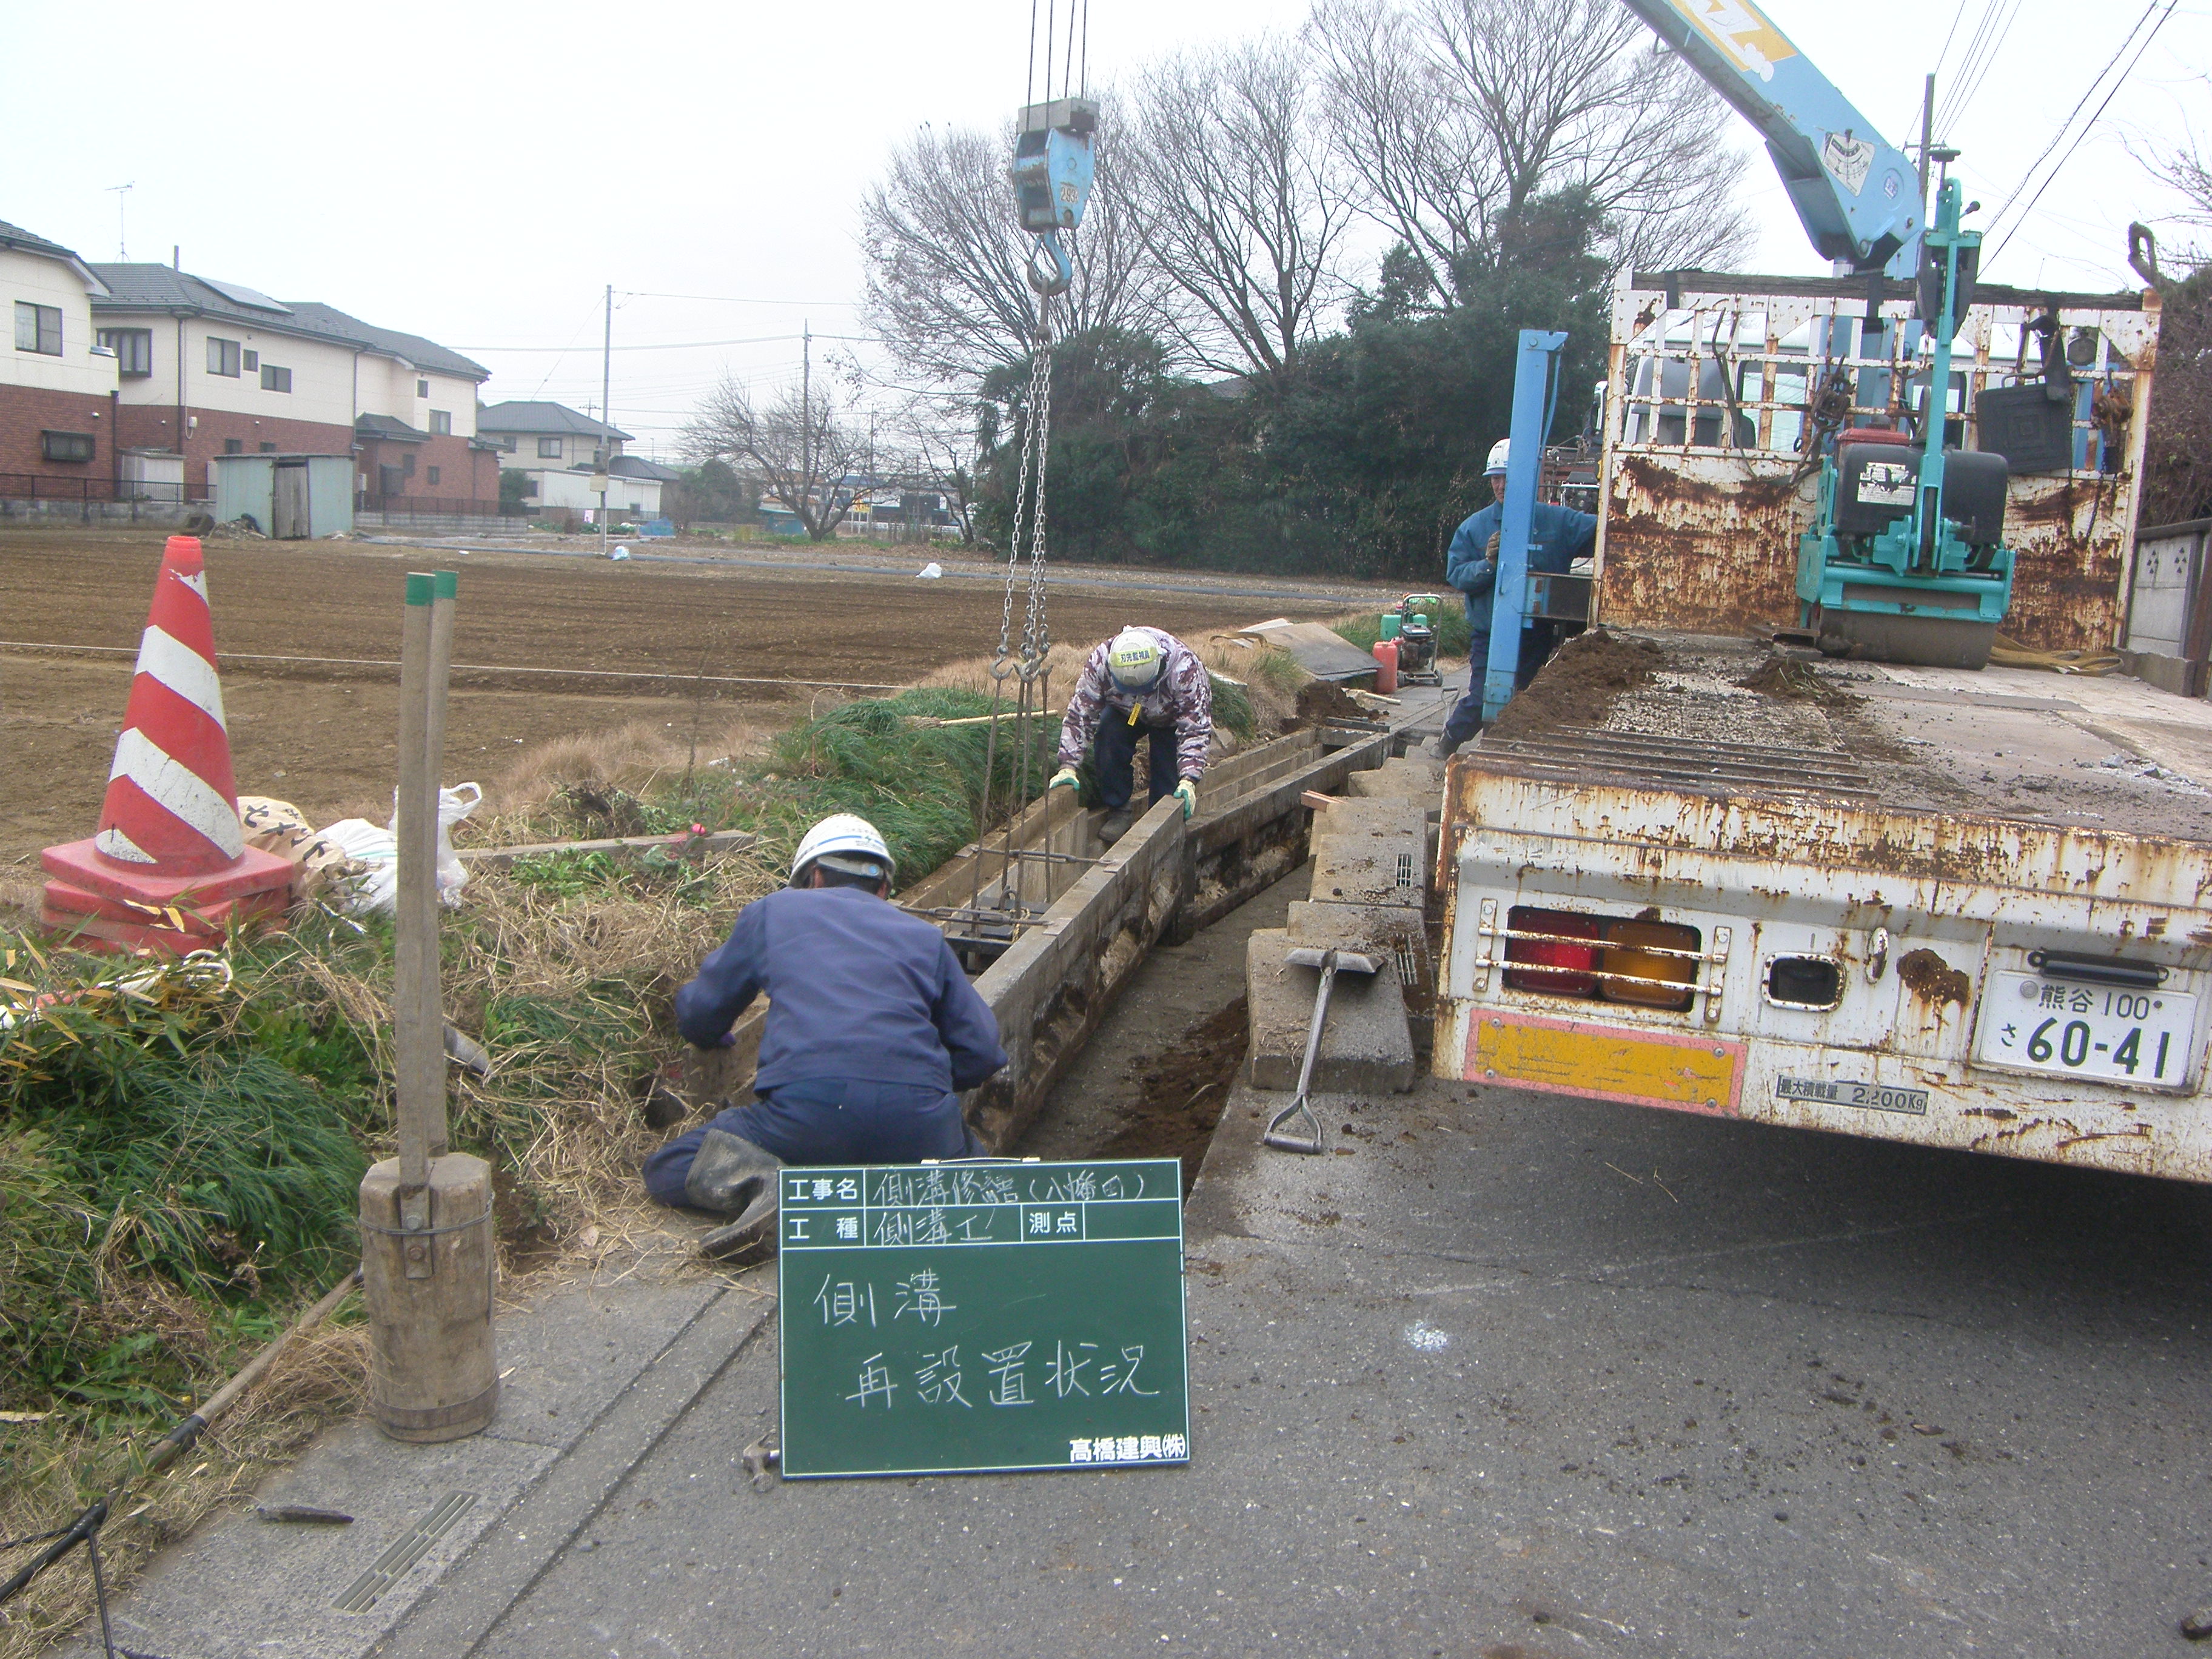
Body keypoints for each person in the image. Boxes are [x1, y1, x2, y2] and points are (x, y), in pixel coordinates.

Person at [643, 813, 1007, 1252]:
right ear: (884, 889)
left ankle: (775, 1189)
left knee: (670, 1167)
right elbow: (983, 1051)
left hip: (803, 1121)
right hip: (916, 1126)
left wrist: (711, 1033)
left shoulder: (771, 913)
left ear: (812, 877)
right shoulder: (925, 937)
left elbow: (701, 1015)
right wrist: (917, 1085)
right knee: (978, 1166)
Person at [1438, 439, 1599, 757]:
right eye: (1495, 478)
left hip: (1539, 634)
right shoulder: (1475, 528)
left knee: (1530, 700)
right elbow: (1457, 575)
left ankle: (1508, 754)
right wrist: (1488, 565)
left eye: (1507, 477)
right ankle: (1448, 743)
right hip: (1491, 631)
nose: (1500, 485)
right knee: (1486, 695)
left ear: (1528, 477)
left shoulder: (1558, 522)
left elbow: (1607, 532)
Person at [1048, 625, 1212, 845]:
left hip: (1169, 719)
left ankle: (1159, 825)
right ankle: (1118, 810)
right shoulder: (1102, 662)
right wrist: (1068, 766)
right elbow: (1081, 715)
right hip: (1127, 710)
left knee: (1167, 772)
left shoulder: (1185, 672)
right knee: (1109, 736)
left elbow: (1195, 729)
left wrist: (1189, 780)